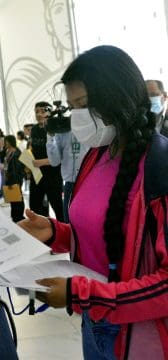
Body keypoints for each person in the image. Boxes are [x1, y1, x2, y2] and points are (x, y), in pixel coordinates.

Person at [19, 45, 168, 359]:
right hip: (94, 320)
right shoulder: (96, 155)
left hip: (142, 332)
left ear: (117, 98)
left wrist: (84, 294)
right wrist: (56, 232)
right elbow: (106, 232)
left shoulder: (159, 165)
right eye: (72, 106)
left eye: (83, 105)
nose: (77, 117)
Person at [29, 101, 64, 220]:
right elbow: (32, 148)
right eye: (36, 111)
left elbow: (60, 156)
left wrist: (41, 162)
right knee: (35, 205)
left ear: (50, 112)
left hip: (53, 174)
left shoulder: (55, 128)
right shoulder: (34, 129)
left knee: (57, 206)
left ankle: (64, 231)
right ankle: (43, 229)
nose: (39, 114)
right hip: (37, 174)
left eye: (42, 111)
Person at [46, 129, 89, 223]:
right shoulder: (62, 131)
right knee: (68, 220)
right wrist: (50, 137)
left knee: (86, 219)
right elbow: (54, 161)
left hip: (88, 182)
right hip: (70, 183)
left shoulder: (90, 128)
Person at [4, 135, 25, 223]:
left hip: (15, 179)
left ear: (10, 142)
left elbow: (17, 169)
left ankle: (19, 216)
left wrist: (14, 181)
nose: (5, 143)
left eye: (6, 141)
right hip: (9, 179)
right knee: (13, 199)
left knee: (17, 198)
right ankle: (14, 216)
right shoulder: (8, 151)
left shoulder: (16, 153)